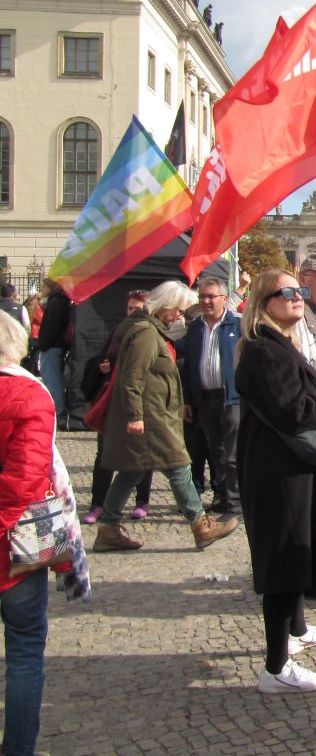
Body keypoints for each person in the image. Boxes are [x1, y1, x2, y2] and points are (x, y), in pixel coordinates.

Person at [235, 270, 316, 693]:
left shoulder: (279, 345)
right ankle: (275, 667)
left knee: (297, 553)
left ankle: (293, 636)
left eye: (300, 291)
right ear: (265, 302)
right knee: (283, 561)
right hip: (277, 473)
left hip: (290, 469)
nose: (298, 297)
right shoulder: (263, 351)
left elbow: (295, 398)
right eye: (288, 292)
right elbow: (293, 412)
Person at [92, 281, 238, 554]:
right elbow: (132, 377)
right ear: (166, 307)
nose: (180, 316)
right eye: (179, 310)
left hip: (153, 412)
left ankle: (108, 528)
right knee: (179, 465)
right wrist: (136, 415)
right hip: (151, 416)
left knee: (132, 471)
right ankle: (200, 525)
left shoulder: (150, 330)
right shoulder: (147, 333)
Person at [0, 310, 56, 756]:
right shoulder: (30, 394)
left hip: (12, 543)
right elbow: (26, 479)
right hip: (14, 548)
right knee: (23, 655)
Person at [80, 290, 153, 523]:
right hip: (112, 400)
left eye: (138, 309)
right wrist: (103, 368)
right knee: (105, 454)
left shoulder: (149, 334)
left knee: (142, 454)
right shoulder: (117, 332)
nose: (133, 313)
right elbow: (100, 359)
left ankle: (142, 501)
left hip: (140, 400)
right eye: (130, 308)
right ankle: (97, 504)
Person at [180, 277, 242, 514]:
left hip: (232, 396)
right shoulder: (195, 327)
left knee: (233, 451)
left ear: (224, 299)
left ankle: (235, 500)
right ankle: (220, 494)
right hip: (205, 397)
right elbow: (188, 365)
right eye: (202, 296)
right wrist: (187, 399)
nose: (205, 301)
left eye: (210, 296)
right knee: (215, 449)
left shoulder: (237, 324)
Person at [36, 278, 72, 429]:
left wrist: (42, 344)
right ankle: (59, 412)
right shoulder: (60, 302)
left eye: (43, 286)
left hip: (51, 346)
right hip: (55, 345)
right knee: (54, 379)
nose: (42, 289)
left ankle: (59, 413)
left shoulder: (55, 303)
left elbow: (50, 327)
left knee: (52, 381)